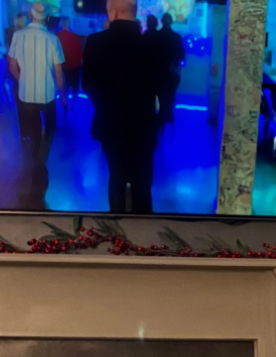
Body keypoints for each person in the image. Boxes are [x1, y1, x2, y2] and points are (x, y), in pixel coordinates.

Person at [82, 0, 160, 213]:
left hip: (109, 124)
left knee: (116, 176)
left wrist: (106, 106)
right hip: (144, 125)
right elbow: (162, 85)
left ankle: (117, 233)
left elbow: (87, 84)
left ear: (114, 12)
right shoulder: (154, 44)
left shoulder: (95, 42)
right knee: (142, 183)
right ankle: (144, 237)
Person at [8, 2, 65, 162]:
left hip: (26, 94)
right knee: (51, 128)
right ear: (46, 18)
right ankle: (44, 155)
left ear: (30, 16)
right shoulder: (53, 39)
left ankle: (35, 160)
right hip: (47, 94)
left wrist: (23, 80)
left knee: (34, 130)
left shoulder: (18, 36)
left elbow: (12, 66)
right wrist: (64, 96)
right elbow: (59, 74)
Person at [156, 11, 183, 128]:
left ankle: (163, 117)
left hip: (159, 73)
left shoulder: (157, 36)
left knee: (162, 97)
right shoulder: (176, 37)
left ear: (161, 21)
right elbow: (181, 54)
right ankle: (169, 116)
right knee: (170, 96)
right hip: (172, 73)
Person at [57, 16, 82, 102]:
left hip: (62, 66)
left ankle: (65, 104)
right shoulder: (75, 36)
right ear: (69, 24)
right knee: (75, 87)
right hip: (75, 66)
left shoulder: (57, 36)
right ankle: (73, 106)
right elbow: (79, 53)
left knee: (65, 87)